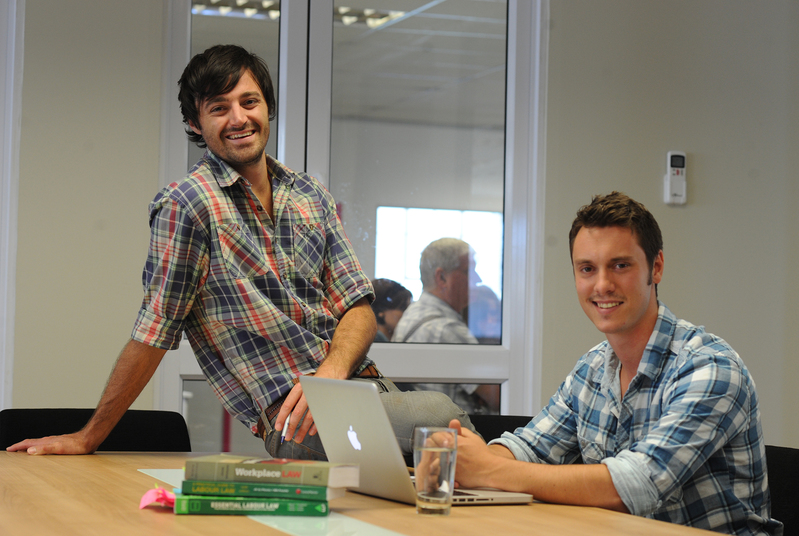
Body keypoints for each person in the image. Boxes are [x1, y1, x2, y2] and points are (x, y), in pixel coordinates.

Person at [8, 44, 474, 459]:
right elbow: (154, 331)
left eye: (249, 101)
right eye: (218, 108)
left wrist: (331, 373)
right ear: (195, 123)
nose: (238, 118)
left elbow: (358, 307)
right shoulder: (188, 206)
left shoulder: (311, 194)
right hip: (296, 419)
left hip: (363, 391)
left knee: (449, 476)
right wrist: (89, 436)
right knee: (446, 415)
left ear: (267, 107)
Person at [448, 192, 781, 535]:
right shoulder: (591, 370)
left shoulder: (711, 369)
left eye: (620, 265)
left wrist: (487, 470)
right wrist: (465, 458)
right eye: (587, 269)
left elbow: (634, 487)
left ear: (657, 267)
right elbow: (531, 449)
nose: (602, 285)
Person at [393, 238, 497, 414]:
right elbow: (496, 397)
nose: (477, 279)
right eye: (469, 271)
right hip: (453, 433)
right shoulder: (447, 329)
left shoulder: (412, 315)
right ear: (442, 278)